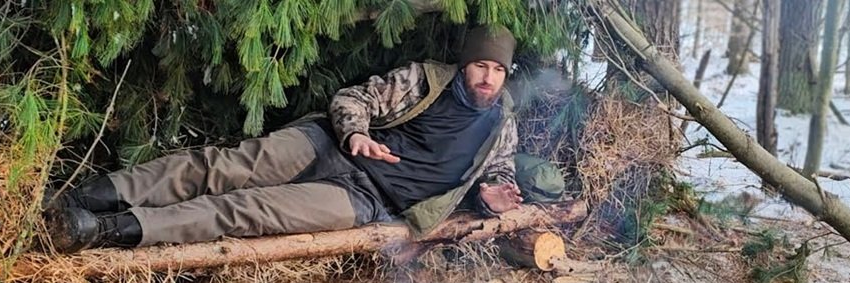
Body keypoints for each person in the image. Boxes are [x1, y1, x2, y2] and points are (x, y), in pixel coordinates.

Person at [46, 25, 523, 253]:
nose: (488, 77)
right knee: (220, 166)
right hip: (328, 145)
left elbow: (497, 175)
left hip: (366, 199)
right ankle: (81, 197)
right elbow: (352, 99)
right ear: (465, 65)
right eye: (481, 65)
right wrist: (355, 133)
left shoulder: (502, 123)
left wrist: (493, 197)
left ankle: (104, 230)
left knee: (246, 211)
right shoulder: (425, 80)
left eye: (498, 70)